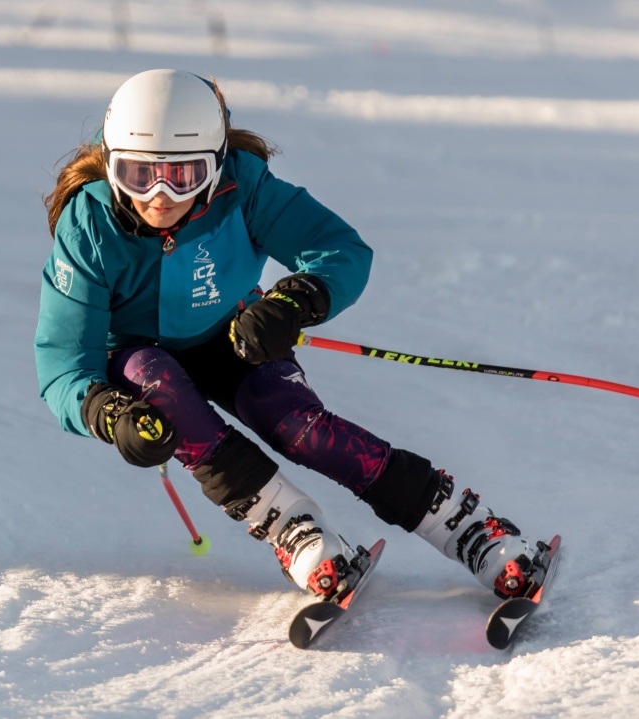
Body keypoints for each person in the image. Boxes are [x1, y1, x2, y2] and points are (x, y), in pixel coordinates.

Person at [36, 69, 544, 601]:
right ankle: (293, 528)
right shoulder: (89, 225)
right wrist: (105, 412)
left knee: (297, 424)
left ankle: (464, 526)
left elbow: (340, 250)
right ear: (111, 163)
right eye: (138, 175)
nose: (160, 196)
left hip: (232, 334)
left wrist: (291, 303)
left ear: (215, 165)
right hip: (137, 361)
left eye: (183, 176)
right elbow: (64, 362)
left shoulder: (243, 188)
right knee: (159, 383)